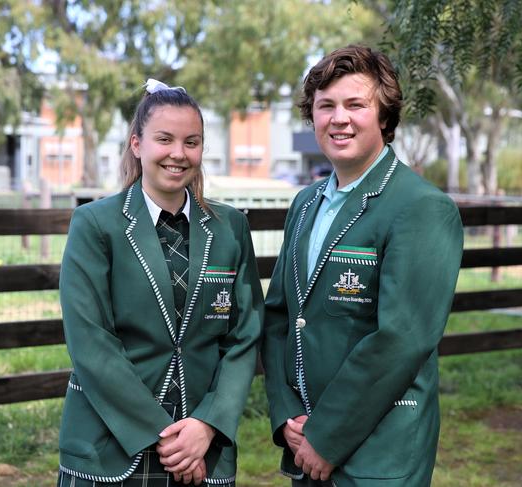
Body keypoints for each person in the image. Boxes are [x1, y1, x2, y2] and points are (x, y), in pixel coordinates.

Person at [262, 45, 464, 487]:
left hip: (379, 453)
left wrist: (328, 436)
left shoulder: (421, 208)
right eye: (326, 106)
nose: (339, 118)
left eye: (356, 105)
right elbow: (280, 317)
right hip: (305, 441)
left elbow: (402, 338)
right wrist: (288, 416)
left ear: (385, 117)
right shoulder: (305, 203)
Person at [57, 79, 263, 486]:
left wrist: (207, 424)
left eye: (192, 142)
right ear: (137, 144)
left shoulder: (231, 228)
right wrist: (165, 436)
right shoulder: (96, 225)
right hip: (112, 447)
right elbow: (91, 342)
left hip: (205, 446)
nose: (178, 154)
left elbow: (243, 337)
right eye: (164, 139)